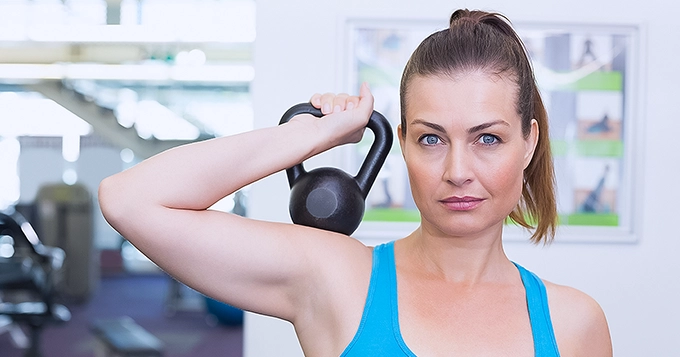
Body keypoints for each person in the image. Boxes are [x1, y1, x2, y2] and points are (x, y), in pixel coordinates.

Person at [99, 9, 612, 357]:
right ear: (401, 144)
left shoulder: (574, 323)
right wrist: (310, 136)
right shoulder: (336, 276)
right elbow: (129, 200)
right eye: (432, 139)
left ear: (529, 142)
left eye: (488, 139)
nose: (458, 170)